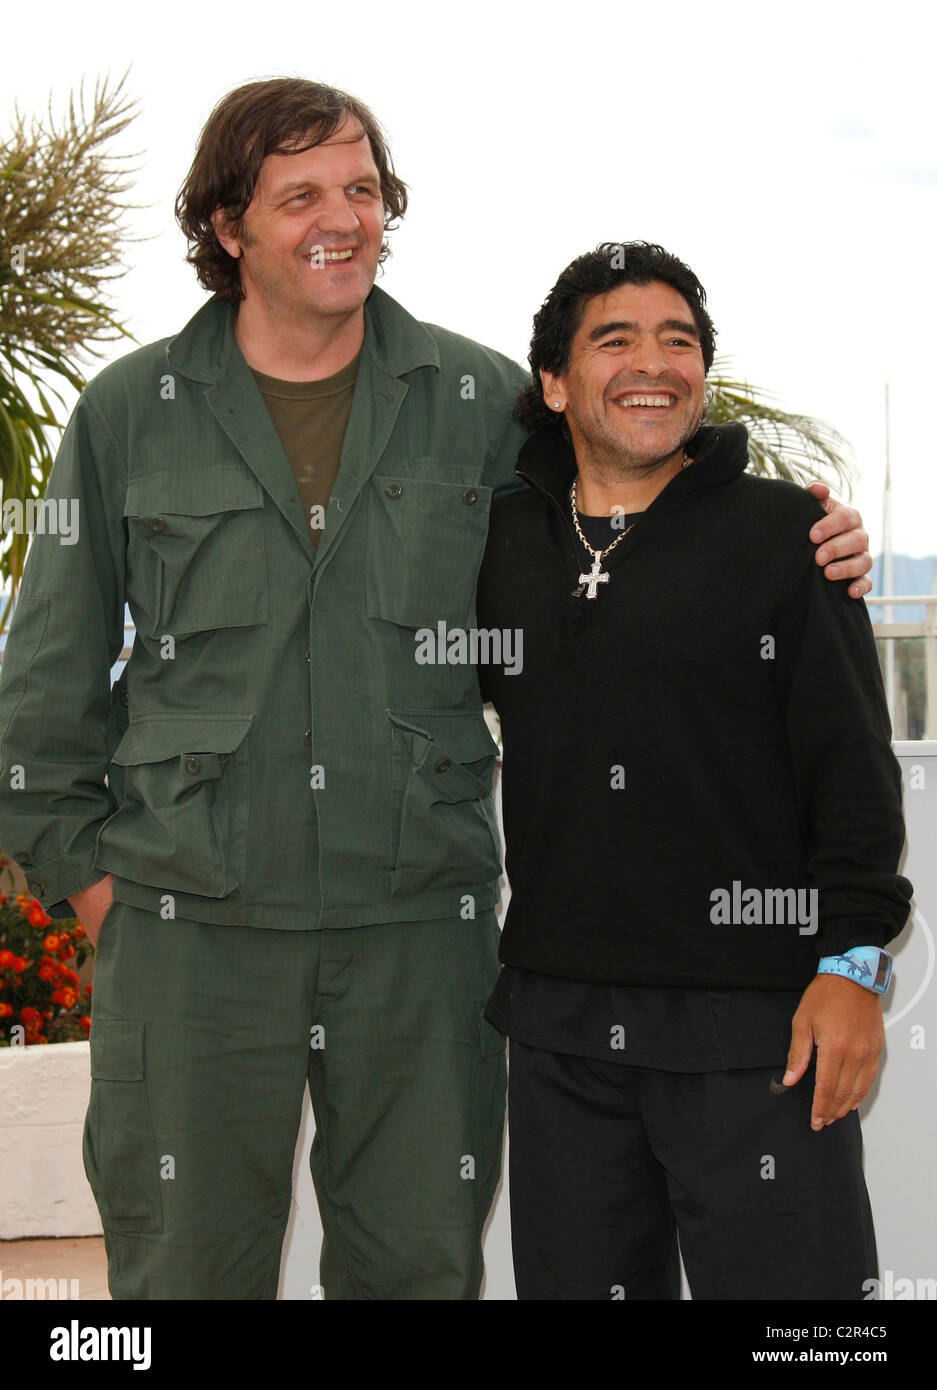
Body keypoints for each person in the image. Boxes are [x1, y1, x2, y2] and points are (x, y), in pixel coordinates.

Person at [0, 80, 871, 1301]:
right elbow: (43, 688)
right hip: (189, 931)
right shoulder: (127, 414)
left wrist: (806, 532)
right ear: (226, 225)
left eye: (362, 188)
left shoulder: (475, 407)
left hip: (420, 930)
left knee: (418, 1272)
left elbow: (640, 470)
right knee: (182, 1272)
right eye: (301, 193)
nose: (341, 216)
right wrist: (101, 897)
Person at [477, 241, 913, 1301]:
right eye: (614, 339)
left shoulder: (789, 536)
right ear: (552, 381)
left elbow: (851, 774)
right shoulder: (493, 543)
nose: (653, 362)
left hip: (756, 1031)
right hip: (560, 1033)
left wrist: (850, 965)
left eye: (679, 341)